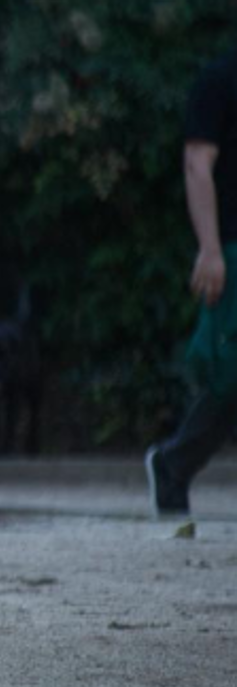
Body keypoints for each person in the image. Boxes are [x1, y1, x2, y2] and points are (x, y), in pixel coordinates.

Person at [145, 50, 237, 519]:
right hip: (235, 245)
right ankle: (174, 463)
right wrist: (211, 248)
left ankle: (175, 463)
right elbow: (197, 163)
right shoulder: (219, 76)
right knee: (229, 374)